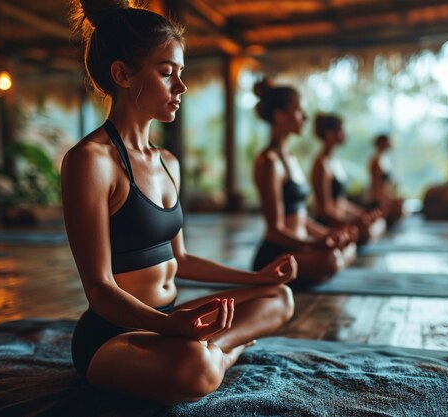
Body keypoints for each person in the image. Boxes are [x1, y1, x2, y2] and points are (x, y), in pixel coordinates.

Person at [62, 1, 296, 405]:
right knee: (195, 370)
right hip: (115, 335)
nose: (181, 87)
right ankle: (222, 353)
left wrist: (257, 279)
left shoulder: (167, 163)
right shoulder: (90, 161)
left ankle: (213, 350)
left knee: (278, 297)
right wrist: (168, 327)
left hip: (171, 317)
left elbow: (181, 260)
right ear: (122, 74)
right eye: (167, 72)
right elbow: (99, 289)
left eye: (181, 73)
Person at [251, 79, 357, 286]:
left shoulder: (290, 159)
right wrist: (314, 244)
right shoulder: (269, 162)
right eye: (299, 111)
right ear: (279, 115)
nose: (305, 117)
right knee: (332, 258)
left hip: (302, 247)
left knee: (348, 247)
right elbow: (275, 230)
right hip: (278, 254)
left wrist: (328, 235)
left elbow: (300, 217)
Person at [311, 114, 386, 245]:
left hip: (340, 218)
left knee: (378, 224)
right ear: (329, 134)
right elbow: (323, 210)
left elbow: (342, 202)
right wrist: (349, 223)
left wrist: (362, 215)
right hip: (329, 222)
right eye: (341, 131)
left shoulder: (334, 161)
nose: (345, 134)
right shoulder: (321, 164)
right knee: (369, 231)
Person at [368, 134, 404, 225]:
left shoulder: (384, 160)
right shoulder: (376, 161)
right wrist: (389, 201)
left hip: (384, 198)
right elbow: (376, 187)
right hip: (378, 201)